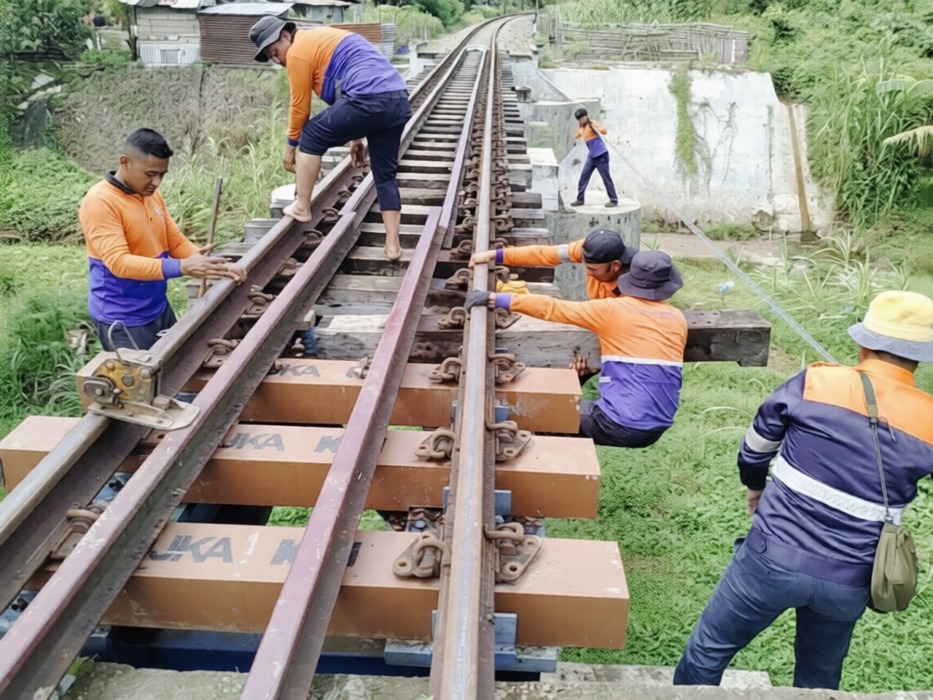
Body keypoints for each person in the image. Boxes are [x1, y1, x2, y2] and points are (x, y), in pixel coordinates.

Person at [673, 290, 933, 690]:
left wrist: (755, 487)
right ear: (921, 354)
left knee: (708, 652)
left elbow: (756, 446)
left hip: (771, 559)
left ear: (863, 341)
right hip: (852, 576)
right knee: (819, 678)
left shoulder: (816, 380)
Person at [465, 251, 687, 448]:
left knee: (534, 416)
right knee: (567, 410)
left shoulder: (611, 310)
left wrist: (495, 298)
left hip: (618, 424)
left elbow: (552, 308)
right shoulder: (677, 318)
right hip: (658, 426)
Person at [249, 16, 412, 261]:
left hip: (369, 99)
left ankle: (302, 206)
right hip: (397, 100)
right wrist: (356, 138)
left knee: (312, 134)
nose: (277, 59)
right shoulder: (323, 38)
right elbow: (349, 89)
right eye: (271, 58)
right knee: (385, 175)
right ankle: (393, 246)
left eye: (274, 52)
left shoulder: (298, 51)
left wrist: (291, 146)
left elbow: (299, 107)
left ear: (285, 36)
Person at [79, 128, 247, 351]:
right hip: (123, 319)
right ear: (125, 162)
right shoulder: (101, 202)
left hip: (157, 307)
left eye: (162, 175)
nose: (157, 182)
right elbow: (119, 263)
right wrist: (183, 267)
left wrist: (214, 265)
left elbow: (174, 241)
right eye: (150, 174)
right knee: (146, 383)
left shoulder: (150, 194)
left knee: (173, 368)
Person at [468, 228, 635, 301]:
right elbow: (544, 254)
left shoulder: (630, 291)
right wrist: (496, 255)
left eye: (592, 269)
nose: (588, 273)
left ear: (615, 266)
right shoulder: (588, 251)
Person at [570, 107, 618, 209]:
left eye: (583, 118)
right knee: (583, 177)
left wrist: (599, 129)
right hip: (592, 156)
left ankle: (613, 200)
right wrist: (574, 137)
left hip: (601, 155)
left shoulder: (592, 123)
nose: (582, 120)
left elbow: (604, 131)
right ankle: (580, 199)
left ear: (586, 116)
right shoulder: (582, 127)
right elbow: (579, 134)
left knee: (606, 178)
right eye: (580, 120)